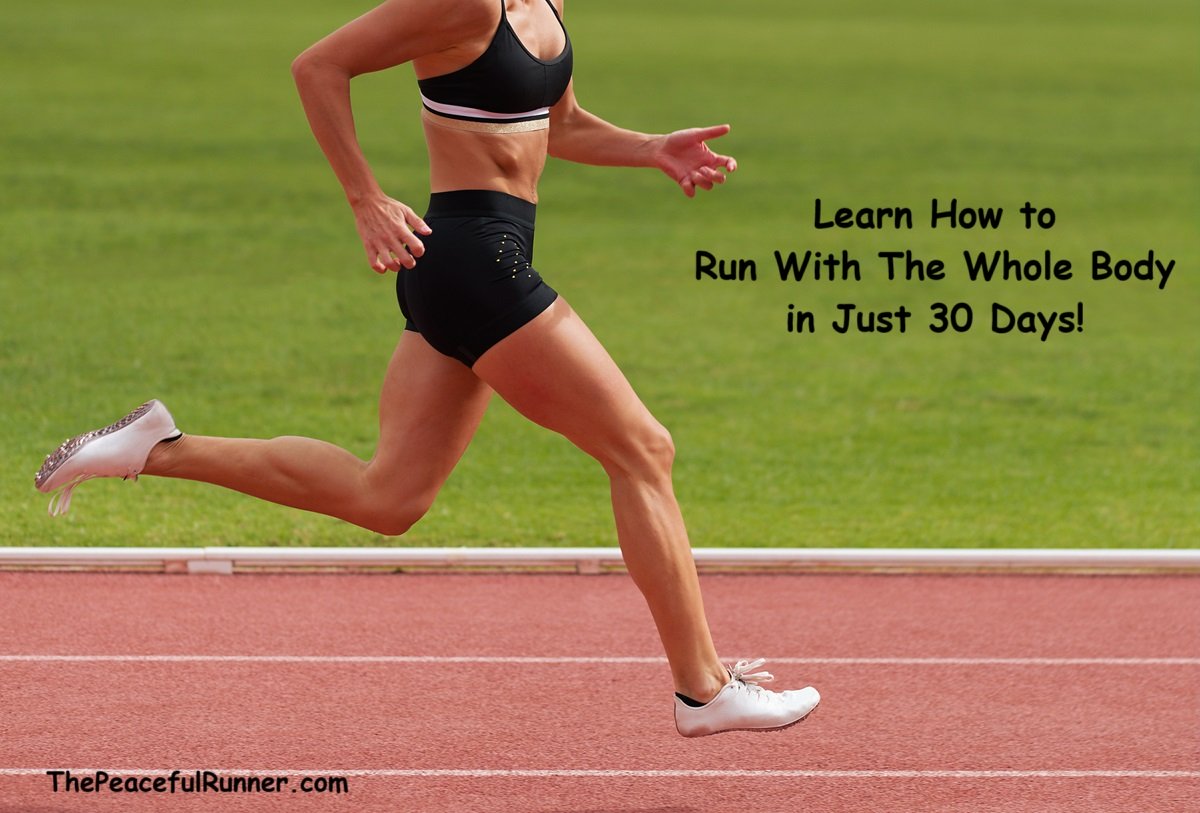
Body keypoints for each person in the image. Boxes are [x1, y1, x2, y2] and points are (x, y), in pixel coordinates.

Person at [35, 0, 818, 737]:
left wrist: (651, 149)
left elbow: (561, 123)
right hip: (476, 259)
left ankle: (153, 448)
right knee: (642, 448)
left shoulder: (544, 4)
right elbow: (318, 67)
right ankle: (704, 688)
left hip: (469, 263)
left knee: (390, 496)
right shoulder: (463, 4)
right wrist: (364, 197)